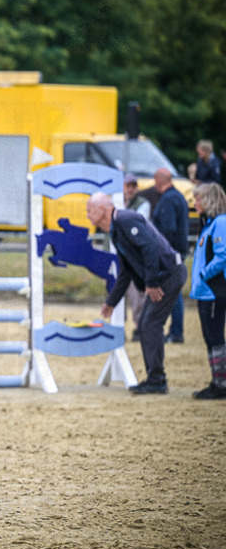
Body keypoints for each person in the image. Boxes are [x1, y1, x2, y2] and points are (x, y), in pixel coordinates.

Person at [87, 192, 187, 394]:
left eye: (89, 210)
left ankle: (157, 380)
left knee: (150, 324)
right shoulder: (116, 230)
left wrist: (151, 282)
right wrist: (112, 301)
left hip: (170, 274)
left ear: (103, 210)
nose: (87, 215)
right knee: (147, 324)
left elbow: (149, 246)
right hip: (163, 275)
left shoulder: (126, 219)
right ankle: (156, 379)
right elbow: (126, 270)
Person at [189, 183, 226, 399]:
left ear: (209, 200)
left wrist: (204, 274)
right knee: (209, 337)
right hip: (205, 292)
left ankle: (221, 384)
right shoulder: (209, 224)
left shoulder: (220, 222)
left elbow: (223, 256)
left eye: (198, 199)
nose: (195, 203)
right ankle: (217, 381)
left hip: (214, 290)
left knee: (215, 337)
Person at [150, 168, 190, 344]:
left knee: (173, 293)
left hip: (170, 254)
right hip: (178, 251)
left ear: (159, 181)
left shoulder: (168, 199)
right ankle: (175, 330)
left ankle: (176, 332)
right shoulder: (179, 197)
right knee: (174, 292)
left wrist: (161, 253)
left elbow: (167, 230)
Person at [123, 173, 151, 342]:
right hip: (119, 255)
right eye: (128, 186)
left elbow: (136, 223)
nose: (131, 189)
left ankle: (138, 328)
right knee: (117, 292)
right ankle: (118, 327)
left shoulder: (143, 204)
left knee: (137, 294)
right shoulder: (117, 202)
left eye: (133, 186)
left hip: (135, 256)